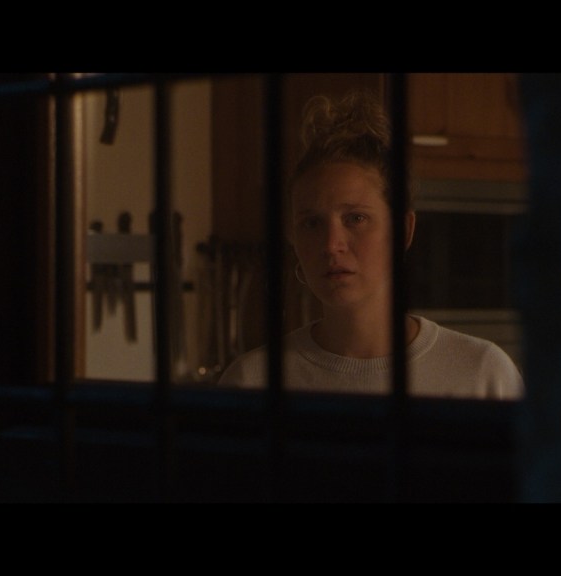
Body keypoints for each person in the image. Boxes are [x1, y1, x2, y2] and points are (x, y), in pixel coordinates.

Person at [218, 90, 524, 399]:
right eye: (311, 223)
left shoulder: (482, 374)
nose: (331, 244)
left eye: (356, 218)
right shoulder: (252, 381)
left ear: (403, 231)